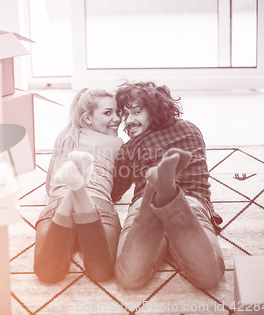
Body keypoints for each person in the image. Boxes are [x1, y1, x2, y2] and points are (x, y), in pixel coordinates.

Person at [112, 81, 225, 290]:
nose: (129, 121)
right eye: (125, 115)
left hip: (144, 209)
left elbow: (114, 192)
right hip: (191, 203)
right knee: (211, 277)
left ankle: (154, 193)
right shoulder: (191, 129)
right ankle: (168, 195)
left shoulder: (129, 148)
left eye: (136, 112)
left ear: (155, 110)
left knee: (128, 277)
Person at [34, 87, 124, 283]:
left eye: (118, 112)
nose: (117, 118)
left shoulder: (64, 136)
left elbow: (50, 186)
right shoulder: (117, 143)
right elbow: (117, 191)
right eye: (108, 112)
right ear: (87, 119)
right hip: (97, 205)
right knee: (102, 273)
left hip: (57, 206)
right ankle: (79, 190)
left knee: (47, 273)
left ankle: (73, 191)